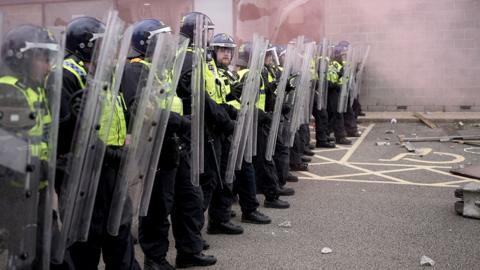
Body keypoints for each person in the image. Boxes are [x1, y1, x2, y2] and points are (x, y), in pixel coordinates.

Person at [56, 16, 140, 270]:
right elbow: (67, 135)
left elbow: (115, 115)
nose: (110, 50)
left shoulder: (105, 75)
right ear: (86, 45)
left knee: (119, 231)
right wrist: (108, 153)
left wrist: (126, 139)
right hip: (82, 174)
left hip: (112, 167)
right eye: (103, 44)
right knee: (85, 243)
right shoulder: (67, 75)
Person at [0, 23, 60, 270]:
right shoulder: (8, 90)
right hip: (17, 195)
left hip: (38, 189)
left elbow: (40, 137)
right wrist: (41, 166)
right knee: (26, 258)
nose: (47, 67)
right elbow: (7, 149)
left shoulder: (34, 89)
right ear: (23, 58)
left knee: (52, 255)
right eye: (41, 58)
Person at [210, 33, 272, 224]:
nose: (226, 54)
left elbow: (229, 100)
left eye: (229, 50)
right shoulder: (211, 73)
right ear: (213, 51)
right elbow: (214, 103)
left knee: (242, 169)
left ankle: (245, 209)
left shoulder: (228, 73)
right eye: (221, 50)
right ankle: (222, 217)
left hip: (235, 126)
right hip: (221, 129)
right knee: (225, 175)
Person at [234, 42, 290, 209]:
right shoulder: (250, 75)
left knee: (254, 161)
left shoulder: (257, 73)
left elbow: (264, 99)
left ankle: (235, 195)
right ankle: (271, 196)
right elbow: (245, 103)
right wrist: (263, 116)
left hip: (257, 121)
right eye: (265, 55)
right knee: (265, 159)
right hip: (254, 123)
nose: (269, 58)